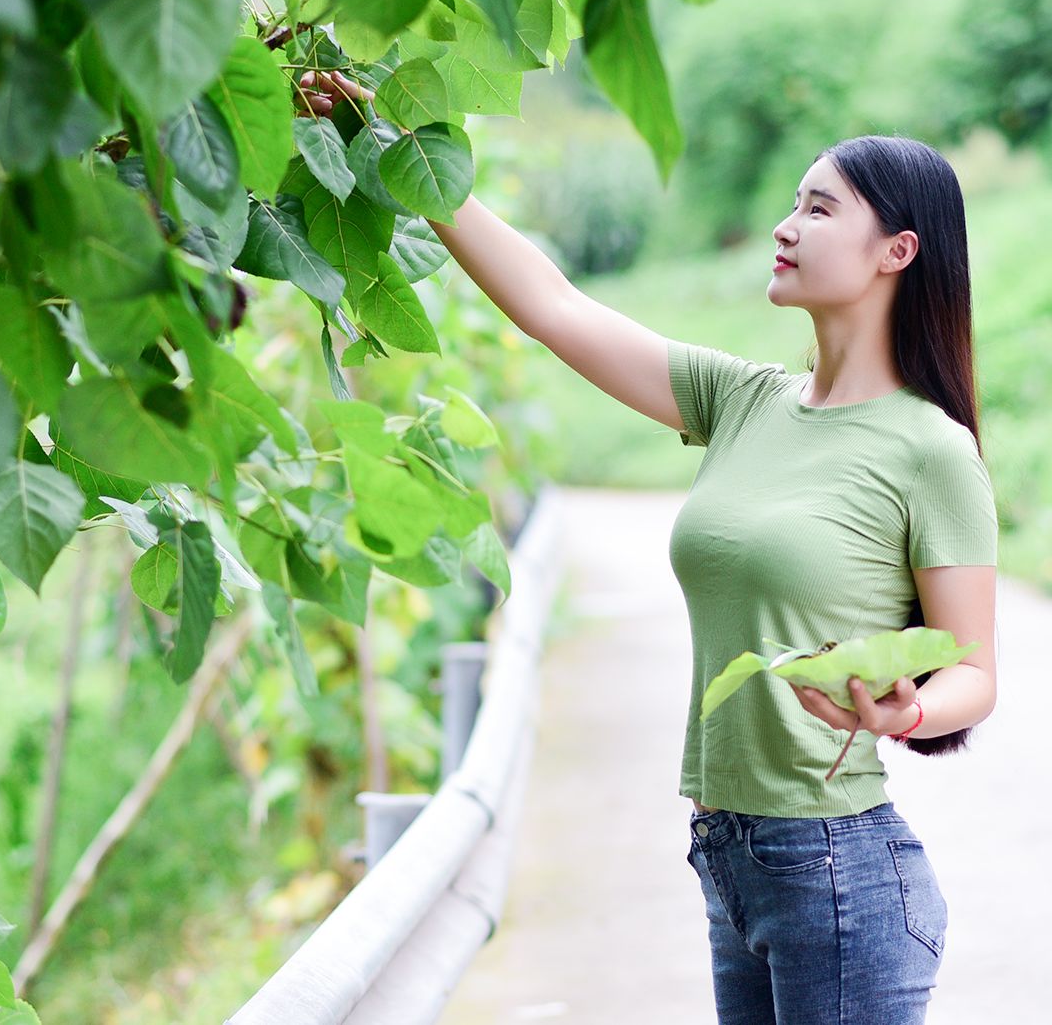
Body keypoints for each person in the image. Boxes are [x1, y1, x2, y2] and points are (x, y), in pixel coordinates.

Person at [298, 69, 998, 1025]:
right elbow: (553, 306)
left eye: (819, 209)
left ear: (896, 251)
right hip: (730, 859)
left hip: (838, 869)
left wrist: (903, 712)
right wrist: (392, 149)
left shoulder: (930, 449)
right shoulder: (743, 399)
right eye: (791, 204)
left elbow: (976, 673)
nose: (786, 226)